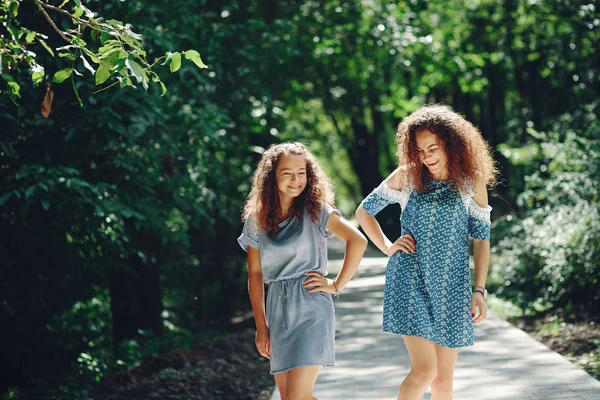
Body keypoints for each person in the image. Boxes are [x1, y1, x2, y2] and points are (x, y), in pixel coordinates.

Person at [355, 104, 498, 400]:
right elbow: (363, 212)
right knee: (424, 372)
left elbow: (481, 240)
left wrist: (480, 289)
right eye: (420, 151)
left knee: (443, 383)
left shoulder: (471, 181)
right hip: (410, 279)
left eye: (433, 148)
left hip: (451, 285)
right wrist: (386, 246)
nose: (426, 157)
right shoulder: (407, 177)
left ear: (451, 144)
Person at [238, 142, 367, 400]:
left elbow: (358, 240)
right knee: (289, 397)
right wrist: (261, 326)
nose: (296, 180)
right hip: (277, 310)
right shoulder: (257, 219)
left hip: (311, 307)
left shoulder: (317, 211)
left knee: (297, 395)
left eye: (302, 172)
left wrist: (336, 285)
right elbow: (255, 275)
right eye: (287, 173)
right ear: (271, 176)